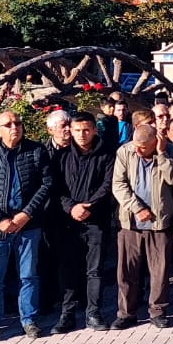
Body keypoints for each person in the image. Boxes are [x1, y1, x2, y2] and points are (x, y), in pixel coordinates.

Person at [0, 111, 54, 341]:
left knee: (28, 276)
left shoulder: (36, 151)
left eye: (17, 123)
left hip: (28, 226)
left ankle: (29, 320)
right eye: (8, 125)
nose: (14, 127)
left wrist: (26, 214)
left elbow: (46, 185)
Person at [112, 125, 173, 329]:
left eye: (143, 147)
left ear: (156, 142)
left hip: (159, 221)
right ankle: (126, 313)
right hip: (130, 222)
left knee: (160, 271)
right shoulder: (125, 151)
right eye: (135, 145)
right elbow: (118, 184)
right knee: (127, 271)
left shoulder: (169, 152)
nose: (137, 150)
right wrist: (136, 208)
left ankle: (158, 311)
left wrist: (161, 155)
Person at [55, 111, 116, 331]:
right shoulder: (61, 157)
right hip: (69, 221)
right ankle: (67, 314)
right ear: (70, 131)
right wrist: (71, 207)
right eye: (78, 130)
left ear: (94, 130)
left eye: (87, 129)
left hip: (96, 220)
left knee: (95, 270)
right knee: (69, 269)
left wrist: (89, 206)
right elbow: (56, 188)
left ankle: (93, 313)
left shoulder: (107, 155)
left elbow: (108, 185)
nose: (82, 134)